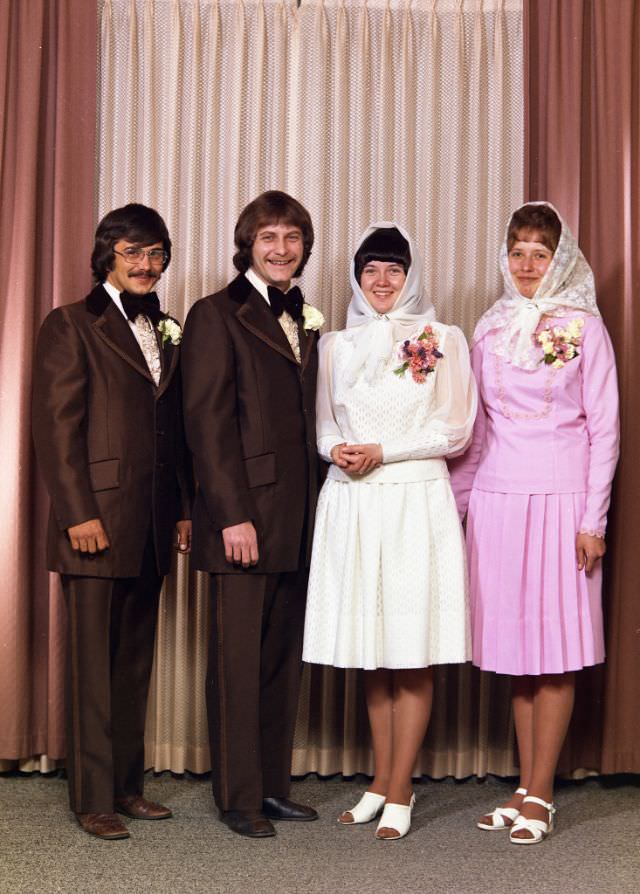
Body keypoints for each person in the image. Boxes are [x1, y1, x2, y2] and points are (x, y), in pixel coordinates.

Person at [449, 202, 619, 845]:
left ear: (559, 260)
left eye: (539, 254)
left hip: (561, 502)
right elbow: (477, 433)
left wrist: (593, 519)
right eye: (517, 252)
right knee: (518, 656)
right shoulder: (488, 329)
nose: (526, 264)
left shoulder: (585, 329)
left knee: (555, 653)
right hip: (498, 503)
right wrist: (457, 510)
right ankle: (525, 786)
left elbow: (605, 430)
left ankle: (543, 793)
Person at [302, 222, 476, 840]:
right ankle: (380, 779)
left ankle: (401, 787)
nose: (381, 281)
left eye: (394, 270)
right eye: (370, 270)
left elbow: (455, 431)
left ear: (411, 276)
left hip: (413, 503)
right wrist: (335, 450)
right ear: (356, 278)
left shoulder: (442, 340)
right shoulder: (334, 345)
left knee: (411, 646)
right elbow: (324, 424)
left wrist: (384, 450)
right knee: (371, 651)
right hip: (353, 503)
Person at [32, 204, 192, 840]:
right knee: (94, 670)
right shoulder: (70, 323)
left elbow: (173, 430)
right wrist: (78, 514)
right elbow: (55, 427)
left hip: (150, 524)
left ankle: (127, 787)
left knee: (132, 665)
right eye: (133, 253)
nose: (146, 265)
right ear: (107, 256)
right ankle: (92, 798)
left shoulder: (167, 327)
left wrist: (182, 509)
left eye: (155, 254)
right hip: (94, 522)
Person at [181, 191, 323, 839]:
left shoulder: (306, 319)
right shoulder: (215, 314)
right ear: (248, 245)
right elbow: (206, 425)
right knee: (237, 662)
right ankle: (238, 798)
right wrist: (231, 515)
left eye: (292, 238)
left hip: (297, 514)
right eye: (269, 237)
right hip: (242, 518)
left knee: (279, 660)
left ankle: (269, 787)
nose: (281, 249)